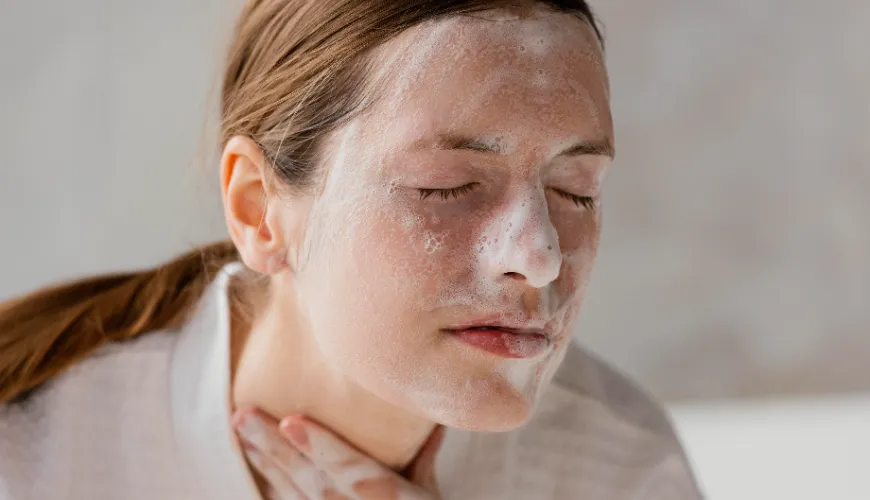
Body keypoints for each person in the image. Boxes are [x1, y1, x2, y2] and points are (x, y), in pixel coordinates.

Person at [0, 1, 704, 499]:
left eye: (576, 189)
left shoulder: (621, 472)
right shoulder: (31, 456)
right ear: (259, 210)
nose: (540, 255)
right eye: (449, 184)